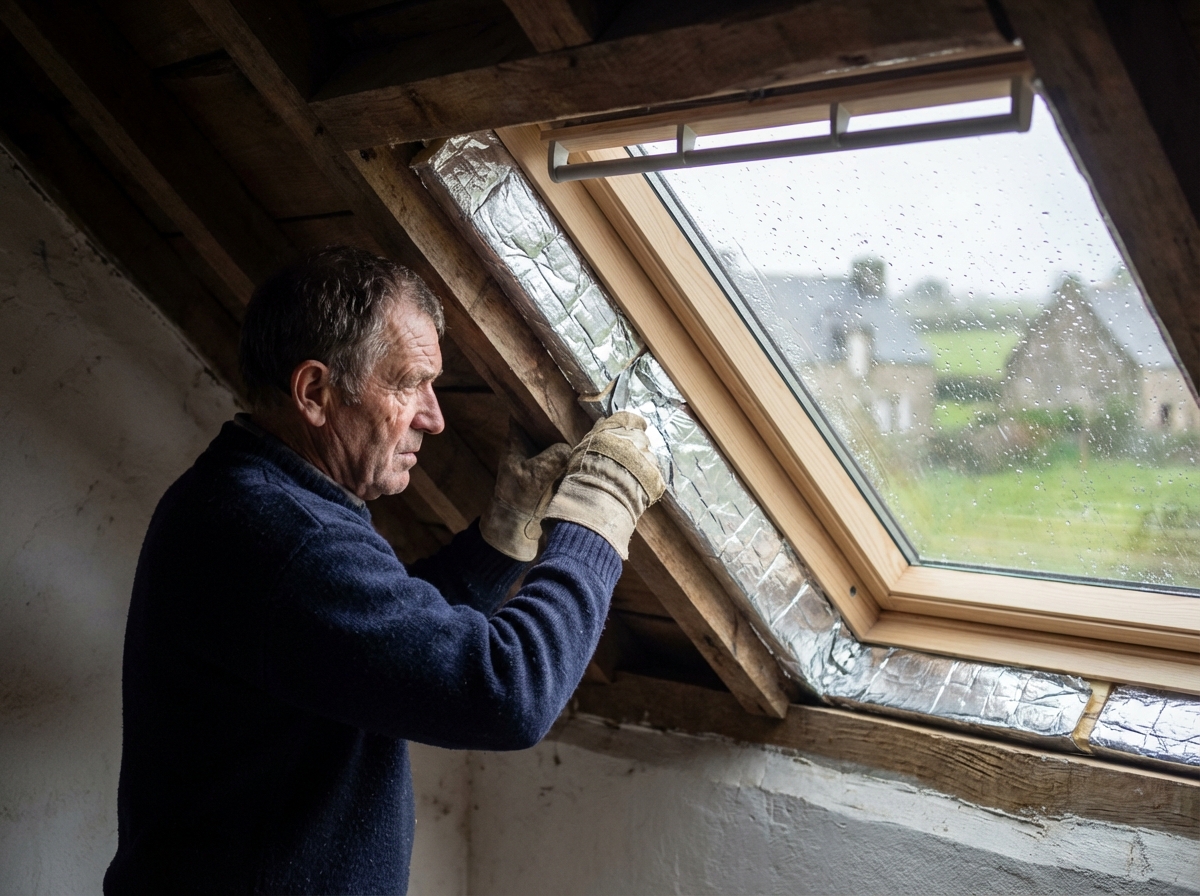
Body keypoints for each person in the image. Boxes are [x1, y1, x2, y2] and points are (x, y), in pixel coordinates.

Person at [103, 246, 665, 895]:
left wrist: (503, 536)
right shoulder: (286, 538)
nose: (435, 417)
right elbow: (508, 693)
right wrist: (597, 515)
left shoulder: (255, 493)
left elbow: (377, 634)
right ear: (315, 392)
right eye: (407, 384)